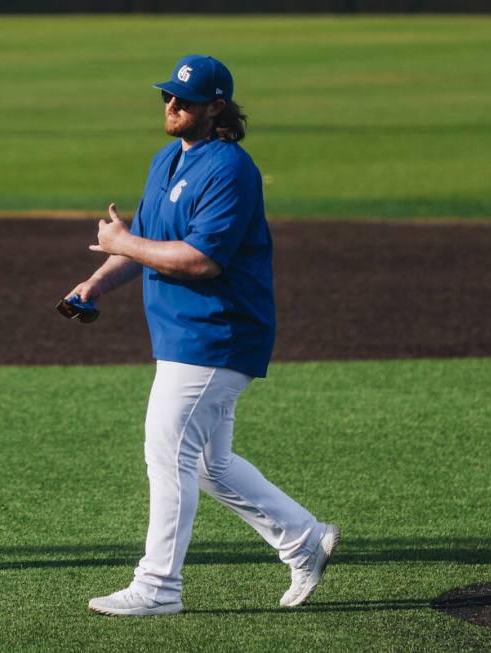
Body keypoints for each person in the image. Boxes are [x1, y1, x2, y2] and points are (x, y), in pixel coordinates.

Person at [68, 56, 339, 616]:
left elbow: (199, 261)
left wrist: (122, 242)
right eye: (168, 97)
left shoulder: (230, 169)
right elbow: (147, 242)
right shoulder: (168, 158)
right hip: (182, 337)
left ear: (216, 107)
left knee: (167, 455)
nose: (172, 106)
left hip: (218, 335)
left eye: (185, 100)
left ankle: (158, 586)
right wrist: (96, 282)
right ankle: (303, 538)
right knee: (209, 465)